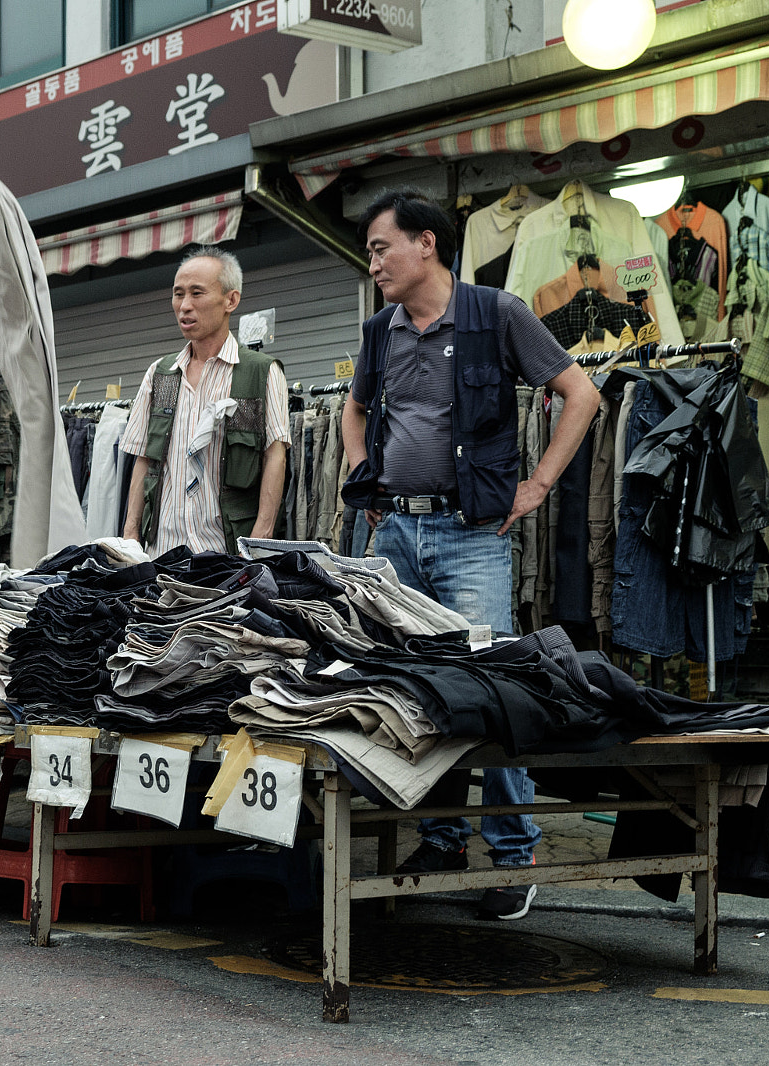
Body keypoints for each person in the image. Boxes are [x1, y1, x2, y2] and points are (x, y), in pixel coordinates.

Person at [341, 190, 601, 920]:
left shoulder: (497, 314)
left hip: (470, 538)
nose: (374, 262)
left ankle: (515, 853)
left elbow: (580, 395)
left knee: (494, 692)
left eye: (380, 247)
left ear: (426, 244)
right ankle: (445, 839)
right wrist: (361, 473)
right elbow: (354, 407)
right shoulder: (380, 330)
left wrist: (539, 484)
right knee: (422, 694)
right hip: (393, 533)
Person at [119, 246, 290, 557]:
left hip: (226, 551)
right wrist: (131, 537)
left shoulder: (260, 372)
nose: (184, 306)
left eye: (197, 293)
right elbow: (143, 457)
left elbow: (274, 457)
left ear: (231, 300)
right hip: (162, 550)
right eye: (178, 294)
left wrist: (257, 543)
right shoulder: (161, 375)